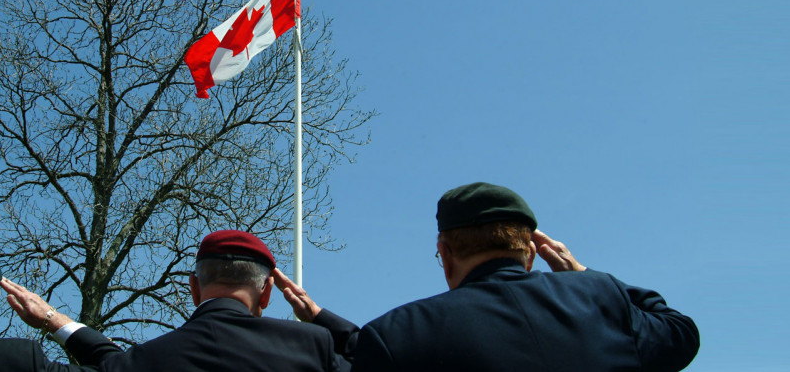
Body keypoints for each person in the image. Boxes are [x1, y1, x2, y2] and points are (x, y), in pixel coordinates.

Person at [351, 182, 700, 372]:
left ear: (445, 253)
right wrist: (581, 273)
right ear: (532, 252)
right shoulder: (600, 298)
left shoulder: (394, 336)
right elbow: (680, 334)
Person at [98, 229, 358, 372]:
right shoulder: (310, 347)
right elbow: (383, 361)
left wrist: (55, 319)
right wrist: (316, 315)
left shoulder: (142, 360)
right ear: (267, 292)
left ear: (194, 288)